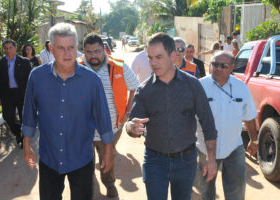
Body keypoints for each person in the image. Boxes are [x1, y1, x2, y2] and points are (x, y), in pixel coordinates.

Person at [22, 23, 114, 200]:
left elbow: (103, 118)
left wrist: (109, 150)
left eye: (71, 47)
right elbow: (29, 113)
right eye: (61, 48)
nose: (67, 53)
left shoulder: (91, 80)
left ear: (77, 47)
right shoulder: (37, 77)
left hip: (81, 158)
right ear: (51, 49)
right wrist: (27, 144)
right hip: (49, 157)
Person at [125, 32, 217, 200]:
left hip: (186, 161)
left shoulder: (193, 85)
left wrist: (211, 158)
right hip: (154, 161)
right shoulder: (144, 90)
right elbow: (131, 124)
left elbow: (208, 123)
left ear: (173, 55)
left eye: (158, 57)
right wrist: (131, 127)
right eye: (150, 58)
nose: (153, 63)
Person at [77, 33, 140, 198]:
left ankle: (110, 185)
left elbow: (134, 87)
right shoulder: (75, 67)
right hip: (83, 129)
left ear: (104, 50)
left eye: (97, 51)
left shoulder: (118, 66)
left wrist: (127, 112)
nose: (93, 56)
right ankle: (89, 186)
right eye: (89, 52)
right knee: (85, 163)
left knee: (108, 160)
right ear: (83, 51)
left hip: (111, 128)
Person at [195, 51, 258, 200]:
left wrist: (254, 140)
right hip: (204, 148)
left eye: (223, 65)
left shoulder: (241, 87)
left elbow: (249, 116)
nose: (218, 68)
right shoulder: (199, 86)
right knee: (206, 190)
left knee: (236, 191)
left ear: (232, 68)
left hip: (233, 147)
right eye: (215, 64)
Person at [0, 39, 32, 148]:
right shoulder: (0, 63)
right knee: (7, 116)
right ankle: (18, 132)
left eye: (10, 48)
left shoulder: (24, 61)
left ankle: (24, 139)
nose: (8, 50)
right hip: (7, 94)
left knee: (24, 117)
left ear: (15, 48)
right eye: (5, 48)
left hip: (22, 93)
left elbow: (30, 80)